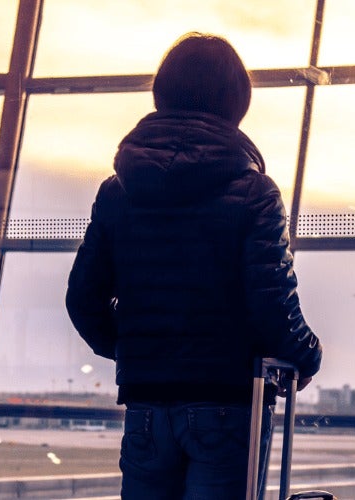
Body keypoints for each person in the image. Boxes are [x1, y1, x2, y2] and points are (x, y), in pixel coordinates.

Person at [65, 32, 323, 499]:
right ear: (235, 104)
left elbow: (83, 298)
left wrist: (134, 346)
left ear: (161, 93)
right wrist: (307, 354)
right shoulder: (254, 193)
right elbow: (272, 302)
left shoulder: (117, 191)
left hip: (145, 406)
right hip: (225, 404)